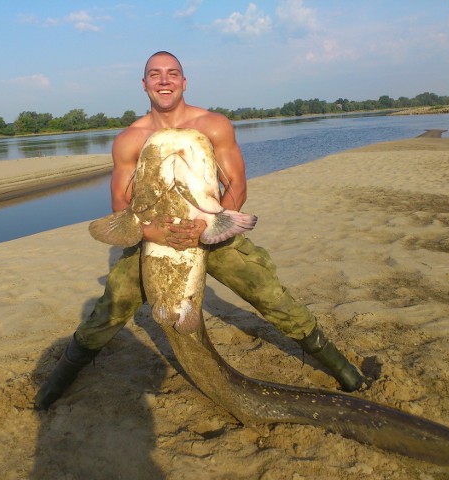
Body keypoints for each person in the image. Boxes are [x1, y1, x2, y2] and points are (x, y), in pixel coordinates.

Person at [35, 51, 364, 411]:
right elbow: (119, 203)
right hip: (154, 238)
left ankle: (341, 367)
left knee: (268, 294)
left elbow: (236, 184)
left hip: (209, 230)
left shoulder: (214, 125)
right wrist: (153, 234)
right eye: (155, 75)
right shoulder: (130, 139)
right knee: (111, 309)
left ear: (184, 82)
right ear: (144, 84)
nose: (164, 81)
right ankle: (60, 379)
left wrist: (208, 227)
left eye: (172, 74)